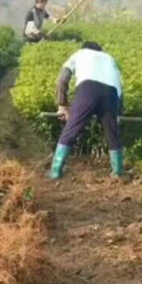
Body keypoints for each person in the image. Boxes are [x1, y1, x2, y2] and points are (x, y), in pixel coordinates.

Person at [49, 41, 125, 180]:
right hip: (111, 93)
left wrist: (62, 105)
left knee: (71, 130)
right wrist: (118, 113)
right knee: (112, 134)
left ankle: (56, 172)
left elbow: (62, 80)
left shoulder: (79, 54)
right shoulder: (110, 59)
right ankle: (118, 173)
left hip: (87, 90)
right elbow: (120, 88)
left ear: (85, 48)